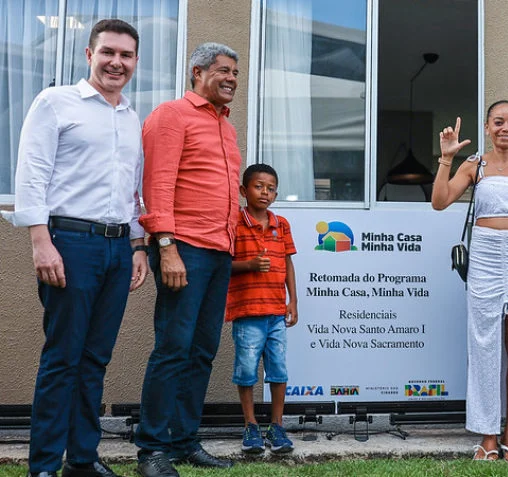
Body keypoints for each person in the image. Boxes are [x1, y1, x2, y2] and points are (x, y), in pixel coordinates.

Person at [4, 18, 145, 477]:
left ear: (135, 61)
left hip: (117, 249)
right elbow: (31, 173)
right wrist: (40, 241)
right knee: (63, 357)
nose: (116, 62)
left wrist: (138, 246)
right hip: (70, 244)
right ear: (89, 55)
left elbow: (132, 190)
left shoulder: (131, 117)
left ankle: (82, 459)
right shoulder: (55, 102)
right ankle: (44, 465)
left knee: (95, 359)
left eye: (126, 55)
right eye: (108, 52)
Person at [135, 42, 242, 477]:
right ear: (197, 72)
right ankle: (152, 449)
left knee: (202, 351)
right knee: (173, 349)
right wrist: (166, 247)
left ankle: (184, 441)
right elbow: (157, 185)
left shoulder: (226, 127)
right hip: (184, 249)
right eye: (223, 70)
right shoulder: (171, 115)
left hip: (219, 252)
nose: (232, 78)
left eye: (235, 72)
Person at [432, 101, 508, 462]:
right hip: (485, 256)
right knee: (484, 344)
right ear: (487, 127)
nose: (506, 128)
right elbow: (439, 201)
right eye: (499, 122)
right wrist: (447, 159)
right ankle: (487, 436)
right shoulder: (475, 165)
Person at [226, 164, 298, 454]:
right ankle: (250, 425)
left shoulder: (282, 224)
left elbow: (288, 263)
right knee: (246, 370)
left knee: (278, 370)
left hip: (276, 313)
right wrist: (249, 265)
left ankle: (277, 426)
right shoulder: (234, 222)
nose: (265, 192)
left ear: (276, 194)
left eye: (270, 188)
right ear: (244, 190)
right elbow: (222, 264)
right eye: (258, 186)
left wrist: (293, 301)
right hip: (247, 314)